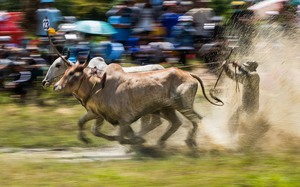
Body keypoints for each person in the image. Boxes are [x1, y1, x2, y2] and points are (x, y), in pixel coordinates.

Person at [222, 61, 260, 136]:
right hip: (245, 105)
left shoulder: (255, 76)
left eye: (246, 67)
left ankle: (249, 138)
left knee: (249, 124)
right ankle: (232, 136)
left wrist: (239, 66)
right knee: (233, 120)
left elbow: (248, 75)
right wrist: (225, 67)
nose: (244, 68)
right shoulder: (245, 76)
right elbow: (232, 75)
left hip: (252, 106)